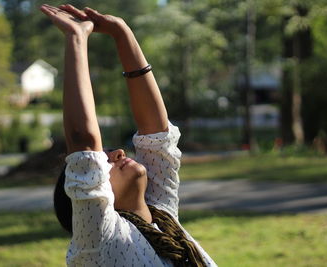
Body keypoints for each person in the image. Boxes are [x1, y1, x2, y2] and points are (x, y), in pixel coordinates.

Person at [40, 4, 217, 267]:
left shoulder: (162, 217)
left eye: (109, 153)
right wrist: (76, 38)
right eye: (104, 162)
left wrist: (122, 34)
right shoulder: (99, 240)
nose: (118, 153)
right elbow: (83, 141)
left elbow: (158, 134)